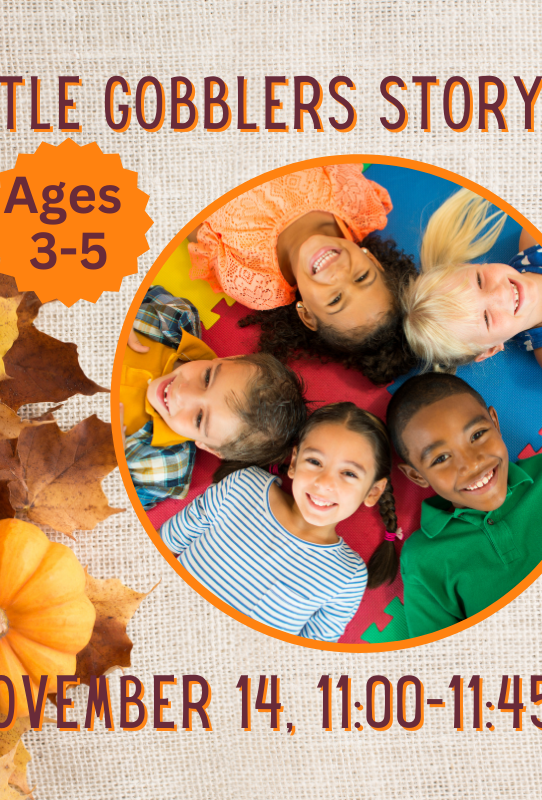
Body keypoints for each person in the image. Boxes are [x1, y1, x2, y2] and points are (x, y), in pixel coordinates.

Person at [159, 403, 401, 642]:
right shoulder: (242, 487)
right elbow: (165, 543)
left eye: (349, 473)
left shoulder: (347, 576)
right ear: (294, 462)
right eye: (315, 462)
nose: (324, 483)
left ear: (373, 491)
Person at [386, 373, 542, 638]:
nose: (472, 463)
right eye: (441, 458)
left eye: (477, 435)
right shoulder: (422, 559)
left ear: (495, 422)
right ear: (416, 476)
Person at [188, 164, 418, 385]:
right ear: (372, 260)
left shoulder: (251, 281)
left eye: (336, 299)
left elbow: (193, 226)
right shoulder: (354, 199)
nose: (338, 274)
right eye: (361, 278)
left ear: (307, 314)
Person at [120, 285, 307, 510]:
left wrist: (107, 463)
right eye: (207, 378)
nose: (183, 392)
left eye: (199, 418)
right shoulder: (176, 319)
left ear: (208, 447)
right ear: (230, 359)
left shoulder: (163, 469)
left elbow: (106, 507)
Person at [403, 188, 542, 388]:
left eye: (479, 281)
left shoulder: (535, 238)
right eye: (486, 318)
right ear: (491, 349)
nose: (500, 293)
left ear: (468, 266)